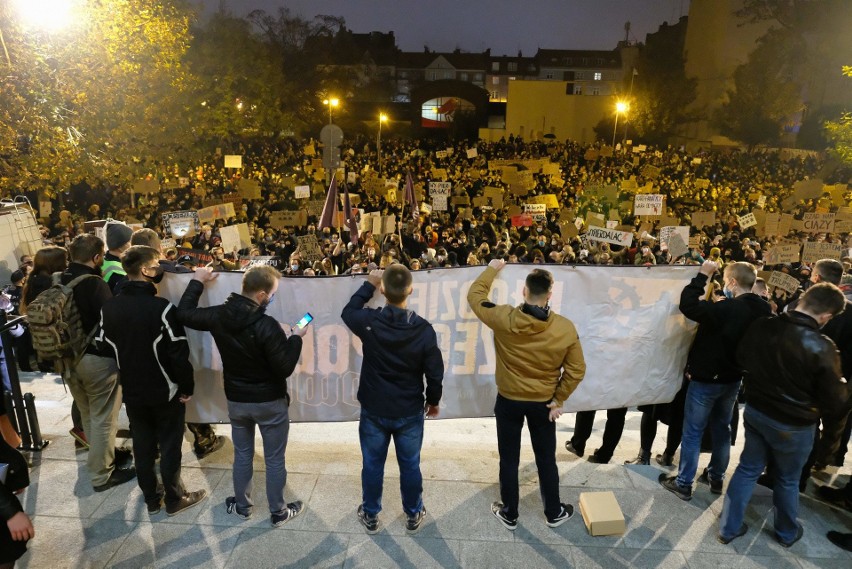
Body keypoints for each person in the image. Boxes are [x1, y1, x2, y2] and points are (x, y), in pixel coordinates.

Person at [718, 283, 851, 547]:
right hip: (795, 425)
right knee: (788, 480)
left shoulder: (763, 325)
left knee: (747, 469)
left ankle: (728, 528)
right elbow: (836, 402)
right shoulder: (823, 346)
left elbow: (742, 358)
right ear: (826, 316)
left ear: (803, 299)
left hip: (758, 412)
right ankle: (786, 533)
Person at [177, 265, 308, 527]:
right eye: (272, 294)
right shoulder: (266, 325)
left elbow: (184, 313)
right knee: (274, 458)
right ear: (261, 295)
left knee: (243, 454)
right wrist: (296, 338)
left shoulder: (219, 316)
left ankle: (242, 506)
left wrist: (197, 281)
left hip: (237, 401)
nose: (273, 298)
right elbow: (284, 367)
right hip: (270, 402)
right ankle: (279, 511)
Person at [468, 260, 586, 530]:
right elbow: (577, 370)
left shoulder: (504, 318)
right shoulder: (564, 328)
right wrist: (558, 399)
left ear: (524, 291)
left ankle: (509, 513)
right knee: (546, 458)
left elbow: (475, 296)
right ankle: (553, 512)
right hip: (544, 404)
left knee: (509, 458)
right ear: (550, 294)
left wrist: (492, 268)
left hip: (508, 400)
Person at [97, 246, 207, 516]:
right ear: (145, 270)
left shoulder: (110, 308)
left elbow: (102, 344)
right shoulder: (161, 308)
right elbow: (178, 353)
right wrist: (186, 387)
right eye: (157, 264)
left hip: (132, 389)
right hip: (164, 388)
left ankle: (151, 498)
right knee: (170, 445)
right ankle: (174, 498)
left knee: (142, 445)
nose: (161, 268)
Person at [341, 265, 444, 535]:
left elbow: (347, 312)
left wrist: (368, 284)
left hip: (374, 408)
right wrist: (433, 401)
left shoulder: (370, 322)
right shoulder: (423, 330)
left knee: (372, 463)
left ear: (383, 290)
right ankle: (413, 512)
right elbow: (435, 373)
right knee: (410, 464)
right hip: (409, 410)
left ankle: (371, 514)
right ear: (410, 289)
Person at [660, 261, 770, 500]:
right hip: (733, 379)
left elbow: (688, 305)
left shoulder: (727, 308)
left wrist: (701, 276)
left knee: (693, 431)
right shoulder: (763, 309)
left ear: (731, 282)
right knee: (722, 429)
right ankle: (716, 477)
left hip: (707, 380)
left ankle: (684, 482)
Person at [130, 228, 226, 458]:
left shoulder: (128, 279)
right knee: (191, 389)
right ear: (158, 248)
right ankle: (202, 437)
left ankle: (158, 446)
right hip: (185, 339)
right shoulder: (179, 273)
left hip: (146, 348)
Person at [62, 234, 136, 491]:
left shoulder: (59, 279)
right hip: (95, 360)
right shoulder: (94, 283)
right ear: (96, 257)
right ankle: (102, 476)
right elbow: (112, 321)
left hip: (67, 360)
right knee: (104, 417)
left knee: (88, 414)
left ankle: (100, 461)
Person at [101, 221, 132, 293]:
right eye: (130, 241)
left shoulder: (103, 261)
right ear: (121, 245)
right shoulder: (118, 272)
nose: (132, 245)